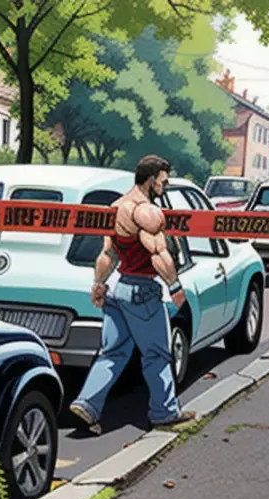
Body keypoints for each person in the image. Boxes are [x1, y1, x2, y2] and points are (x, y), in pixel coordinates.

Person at [69, 154, 197, 434]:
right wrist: (174, 286)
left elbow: (107, 254)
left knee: (112, 352)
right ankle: (164, 412)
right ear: (151, 180)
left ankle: (87, 403)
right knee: (157, 354)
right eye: (162, 182)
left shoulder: (116, 207)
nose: (164, 187)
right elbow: (157, 253)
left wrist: (98, 285)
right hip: (143, 292)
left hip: (119, 289)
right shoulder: (146, 211)